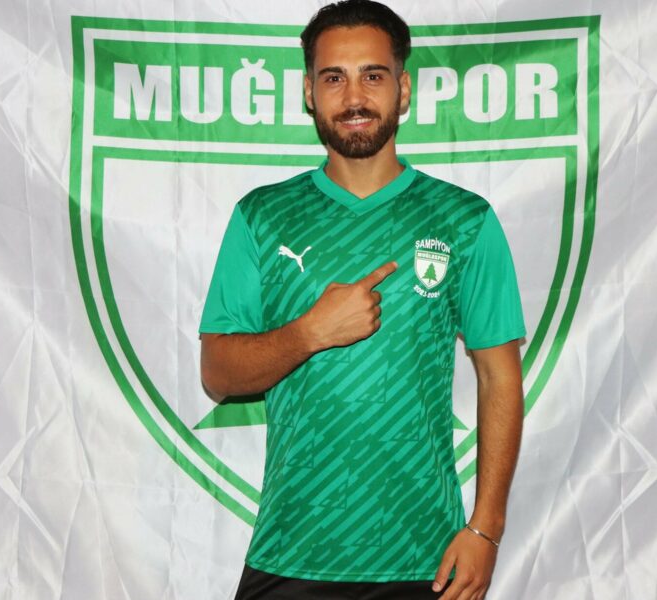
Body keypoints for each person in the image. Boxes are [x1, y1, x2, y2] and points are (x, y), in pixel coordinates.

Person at [199, 1, 526, 598]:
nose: (354, 97)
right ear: (309, 93)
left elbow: (498, 376)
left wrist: (486, 529)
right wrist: (310, 332)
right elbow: (217, 373)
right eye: (334, 78)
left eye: (372, 75)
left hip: (425, 558)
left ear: (404, 89)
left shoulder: (464, 221)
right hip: (291, 552)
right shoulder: (261, 217)